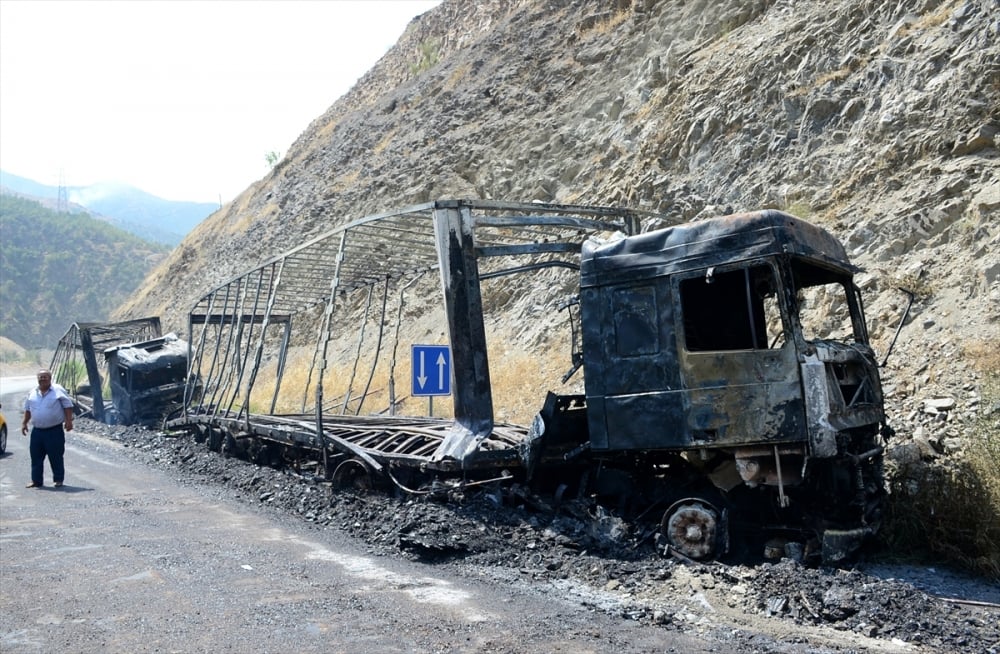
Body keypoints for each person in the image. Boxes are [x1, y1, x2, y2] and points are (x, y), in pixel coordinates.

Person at [21, 369, 75, 488]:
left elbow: (68, 406)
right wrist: (24, 423)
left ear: (50, 378)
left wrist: (68, 421)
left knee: (56, 456)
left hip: (54, 430)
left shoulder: (58, 390)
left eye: (45, 377)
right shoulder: (32, 393)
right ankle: (36, 481)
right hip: (37, 431)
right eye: (40, 377)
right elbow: (28, 409)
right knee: (35, 457)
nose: (43, 379)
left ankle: (58, 480)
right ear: (37, 379)